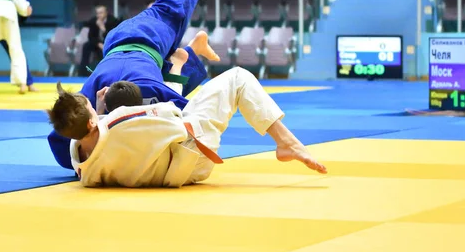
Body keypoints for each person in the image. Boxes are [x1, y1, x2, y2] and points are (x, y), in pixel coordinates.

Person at [47, 0, 219, 170]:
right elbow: (59, 134)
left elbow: (190, 117)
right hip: (117, 44)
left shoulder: (131, 91)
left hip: (149, 34)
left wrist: (91, 154)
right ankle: (193, 50)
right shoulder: (86, 99)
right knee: (168, 79)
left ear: (92, 124)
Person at [47, 67, 327, 188]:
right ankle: (286, 142)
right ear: (92, 119)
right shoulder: (119, 121)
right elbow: (171, 115)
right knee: (238, 78)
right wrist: (113, 113)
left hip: (172, 175)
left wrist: (102, 115)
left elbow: (101, 138)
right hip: (193, 154)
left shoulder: (81, 164)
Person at [78, 5, 120, 76]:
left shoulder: (113, 21)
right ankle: (83, 72)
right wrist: (99, 44)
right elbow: (91, 36)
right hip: (97, 44)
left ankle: (106, 73)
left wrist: (102, 28)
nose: (99, 15)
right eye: (97, 13)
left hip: (109, 43)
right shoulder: (93, 21)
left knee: (105, 52)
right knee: (86, 46)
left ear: (106, 13)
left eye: (101, 13)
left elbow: (112, 37)